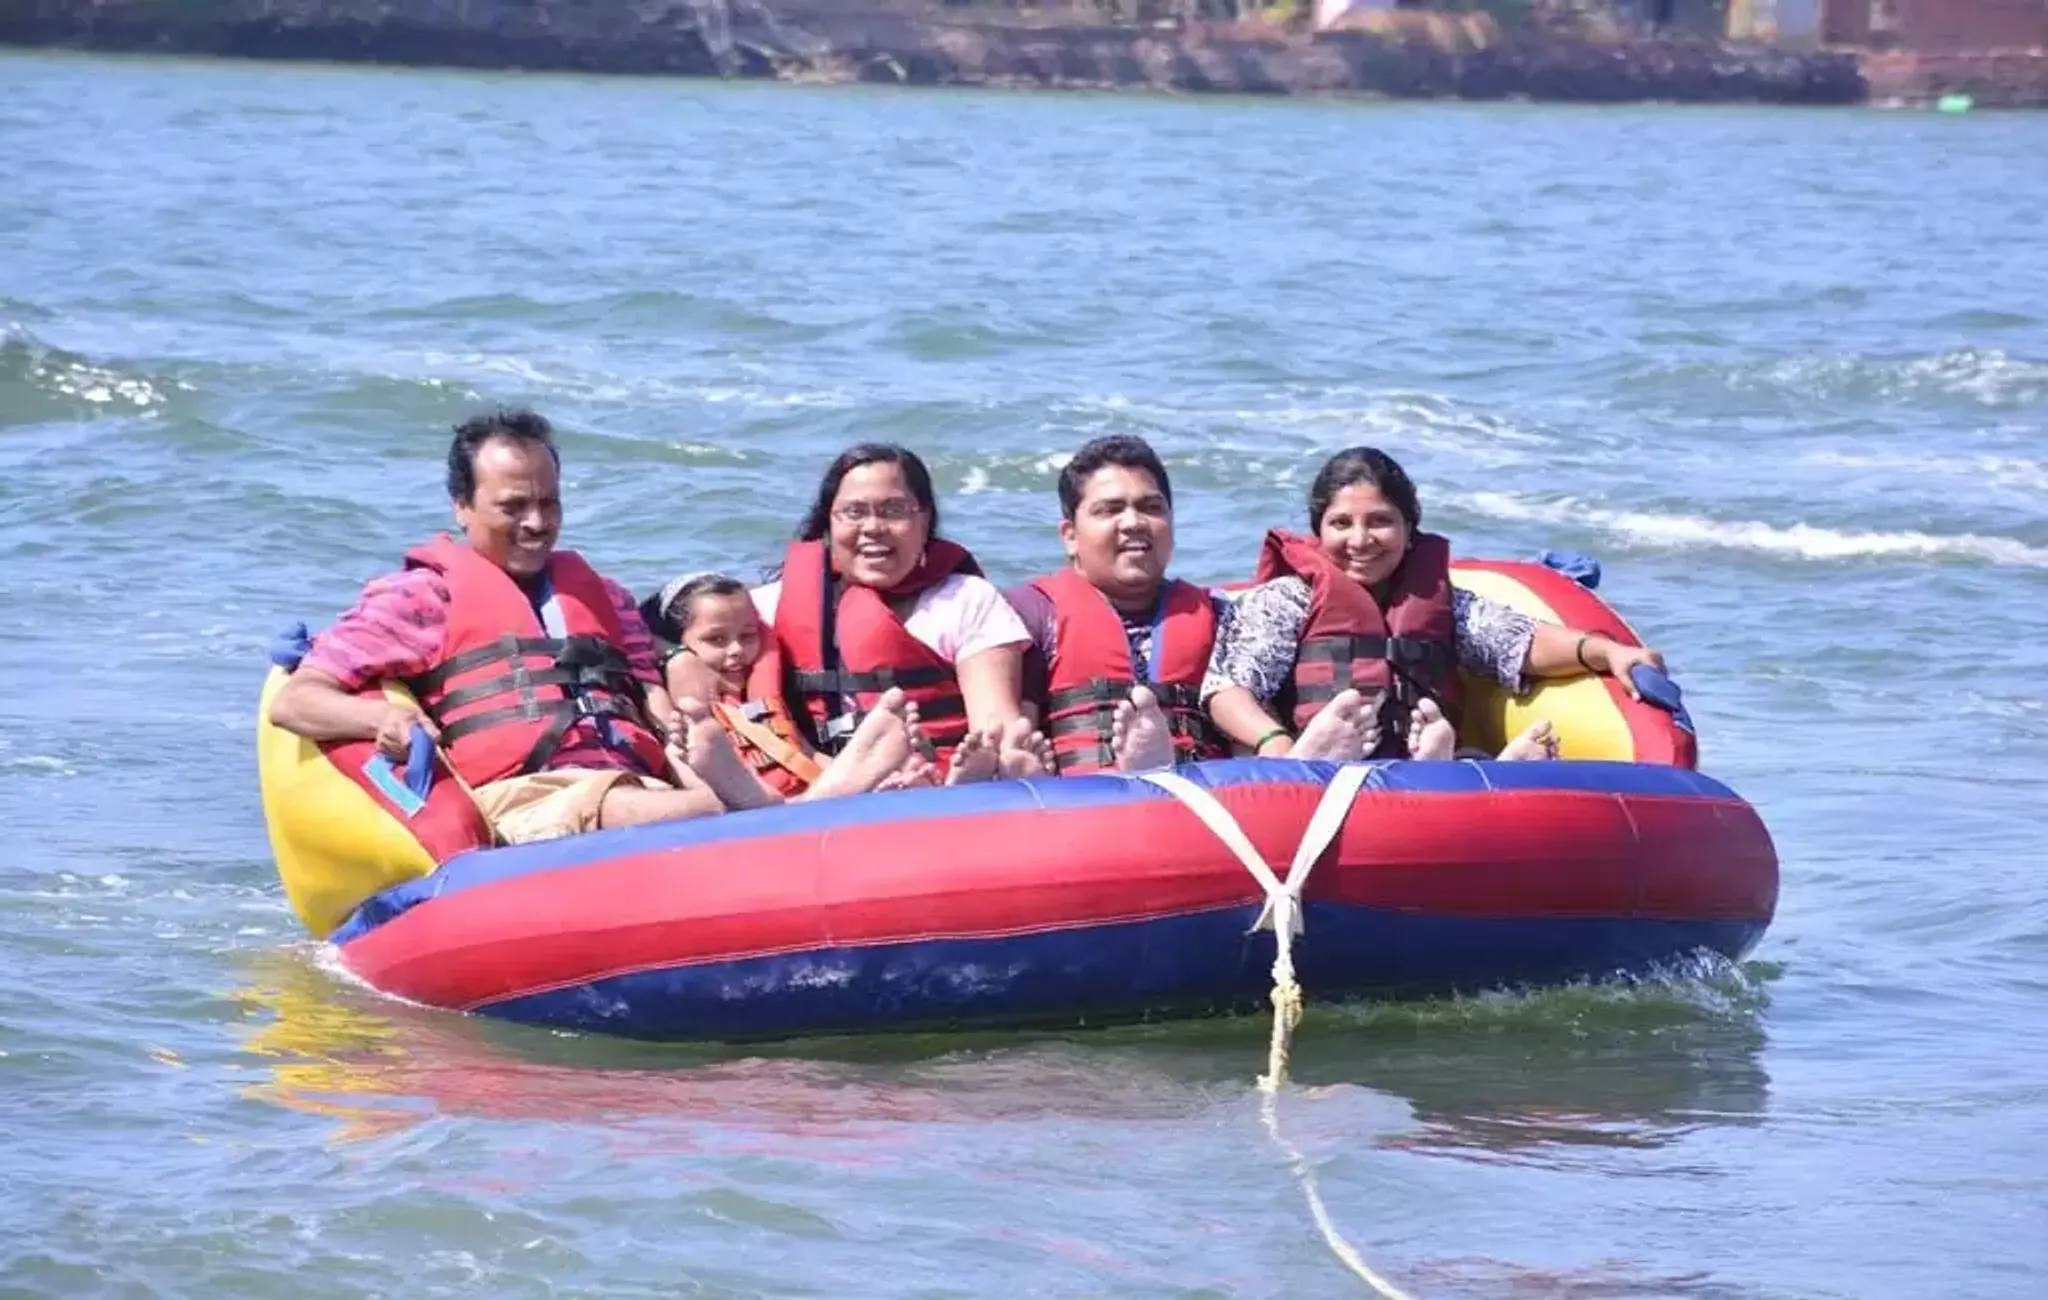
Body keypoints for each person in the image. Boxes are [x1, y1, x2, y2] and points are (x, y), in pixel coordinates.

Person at [268, 409, 738, 844]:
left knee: (725, 802)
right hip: (527, 800)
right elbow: (297, 700)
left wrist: (676, 659)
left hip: (641, 789)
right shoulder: (423, 598)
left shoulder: (608, 599)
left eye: (549, 504)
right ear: (462, 506)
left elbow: (649, 690)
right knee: (701, 813)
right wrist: (384, 718)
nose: (537, 523)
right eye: (512, 507)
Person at [1204, 446, 1666, 761]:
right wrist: (1276, 743)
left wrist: (1607, 652)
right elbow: (1228, 689)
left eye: (1380, 522)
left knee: (1459, 757)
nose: (1360, 540)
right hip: (1313, 764)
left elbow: (1517, 644)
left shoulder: (1438, 601)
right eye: (1341, 523)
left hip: (1421, 778)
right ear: (1318, 533)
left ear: (1409, 531)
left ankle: (1449, 765)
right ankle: (1323, 755)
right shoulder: (1287, 600)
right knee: (1310, 758)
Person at [1006, 435, 1379, 773]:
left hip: (1203, 801)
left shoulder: (1219, 613)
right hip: (1085, 800)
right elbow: (1020, 722)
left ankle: (1294, 769)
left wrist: (1274, 743)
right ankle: (1142, 766)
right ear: (1070, 535)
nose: (1133, 522)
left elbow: (1247, 708)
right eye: (1110, 510)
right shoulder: (1035, 612)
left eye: (1151, 507)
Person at [752, 444, 1053, 781]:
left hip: (936, 771)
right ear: (828, 524)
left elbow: (994, 717)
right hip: (822, 774)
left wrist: (1000, 749)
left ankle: (969, 780)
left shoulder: (965, 600)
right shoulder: (766, 607)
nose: (873, 527)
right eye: (854, 512)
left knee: (995, 745)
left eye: (894, 510)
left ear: (924, 521)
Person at [640, 572, 946, 803]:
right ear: (679, 642)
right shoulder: (677, 700)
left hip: (798, 796)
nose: (735, 650)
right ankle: (834, 790)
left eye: (747, 636)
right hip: (736, 803)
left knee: (839, 776)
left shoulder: (759, 696)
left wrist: (843, 768)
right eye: (716, 640)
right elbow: (635, 632)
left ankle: (868, 779)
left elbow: (805, 754)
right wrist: (673, 656)